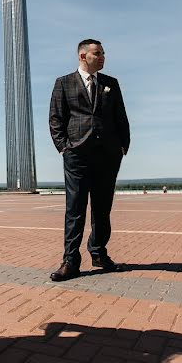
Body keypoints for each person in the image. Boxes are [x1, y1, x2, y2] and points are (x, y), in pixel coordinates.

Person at [48, 39, 130, 281]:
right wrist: (64, 147)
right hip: (77, 155)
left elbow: (121, 117)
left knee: (102, 209)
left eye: (103, 53)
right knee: (75, 209)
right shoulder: (63, 83)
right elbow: (56, 118)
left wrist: (123, 146)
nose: (103, 56)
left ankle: (98, 253)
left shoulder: (111, 84)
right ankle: (70, 260)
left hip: (108, 155)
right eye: (98, 53)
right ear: (83, 56)